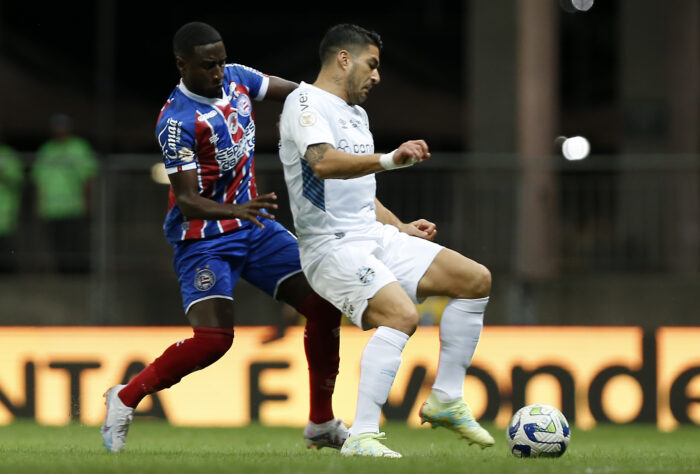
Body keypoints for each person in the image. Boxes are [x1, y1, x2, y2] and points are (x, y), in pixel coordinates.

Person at [101, 22, 345, 453]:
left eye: (220, 61)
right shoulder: (177, 121)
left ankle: (321, 423)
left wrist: (330, 97)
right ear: (182, 65)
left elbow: (295, 92)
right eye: (207, 65)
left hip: (252, 227)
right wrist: (236, 209)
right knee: (214, 342)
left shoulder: (238, 77)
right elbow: (188, 199)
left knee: (324, 307)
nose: (218, 72)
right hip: (204, 238)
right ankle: (124, 398)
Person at [278, 24, 495, 458]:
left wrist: (400, 228)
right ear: (344, 58)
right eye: (372, 64)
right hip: (331, 247)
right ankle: (361, 435)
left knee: (475, 279)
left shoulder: (357, 115)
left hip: (373, 236)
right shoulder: (304, 102)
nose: (377, 76)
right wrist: (390, 159)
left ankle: (447, 399)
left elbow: (360, 191)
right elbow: (323, 165)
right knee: (401, 315)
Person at [31, 114, 97, 273]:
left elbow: (88, 177)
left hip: (74, 206)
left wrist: (88, 202)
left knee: (77, 241)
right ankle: (63, 273)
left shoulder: (79, 147)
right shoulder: (46, 150)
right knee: (57, 242)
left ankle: (81, 272)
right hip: (52, 207)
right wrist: (38, 204)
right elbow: (39, 179)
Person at [0, 130, 23, 273]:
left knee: (6, 245)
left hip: (5, 208)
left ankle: (8, 272)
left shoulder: (9, 154)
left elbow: (16, 179)